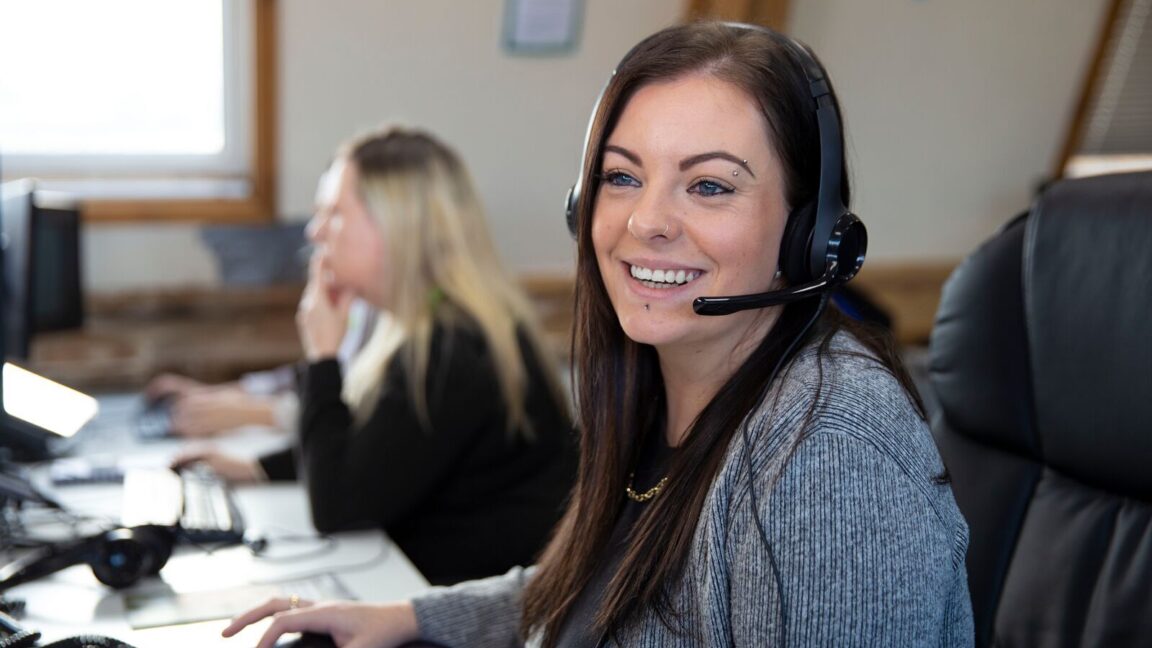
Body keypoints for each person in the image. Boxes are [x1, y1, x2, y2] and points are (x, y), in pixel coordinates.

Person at [223, 22, 973, 647]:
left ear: (808, 235)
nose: (647, 221)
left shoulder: (827, 446)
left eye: (709, 185)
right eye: (621, 177)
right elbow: (580, 592)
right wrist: (405, 617)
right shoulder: (657, 384)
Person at [183, 126, 576, 586]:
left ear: (397, 226)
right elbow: (378, 446)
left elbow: (337, 508)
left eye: (334, 215)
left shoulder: (453, 352)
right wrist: (258, 467)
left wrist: (322, 357)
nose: (314, 232)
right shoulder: (433, 323)